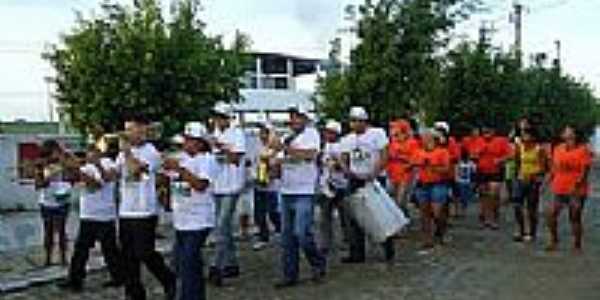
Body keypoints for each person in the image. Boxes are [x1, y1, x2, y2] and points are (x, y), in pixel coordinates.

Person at [116, 118, 176, 300]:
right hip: (126, 209)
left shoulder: (150, 152)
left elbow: (136, 170)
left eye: (130, 130)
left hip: (144, 210)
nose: (126, 134)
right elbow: (117, 173)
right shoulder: (123, 153)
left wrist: (126, 152)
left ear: (140, 132)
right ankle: (134, 293)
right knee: (127, 257)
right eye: (125, 130)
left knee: (145, 253)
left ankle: (169, 279)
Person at [273, 104, 326, 288]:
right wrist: (272, 165)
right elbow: (279, 161)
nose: (294, 120)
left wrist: (284, 149)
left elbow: (310, 155)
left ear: (305, 119)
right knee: (287, 236)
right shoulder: (285, 136)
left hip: (305, 190)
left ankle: (317, 261)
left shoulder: (311, 134)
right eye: (292, 116)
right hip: (287, 189)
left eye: (298, 117)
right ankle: (290, 274)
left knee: (302, 232)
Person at [58, 145, 124, 292]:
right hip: (87, 214)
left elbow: (98, 184)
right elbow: (72, 179)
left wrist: (96, 164)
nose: (90, 155)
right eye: (89, 152)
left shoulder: (108, 163)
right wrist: (67, 165)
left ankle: (119, 277)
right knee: (81, 250)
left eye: (93, 151)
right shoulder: (86, 167)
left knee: (110, 250)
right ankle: (75, 280)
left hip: (104, 215)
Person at [163, 122, 215, 300]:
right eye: (186, 140)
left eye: (191, 140)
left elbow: (201, 185)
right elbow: (168, 181)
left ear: (200, 143)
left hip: (199, 220)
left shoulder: (207, 160)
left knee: (188, 262)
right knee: (182, 263)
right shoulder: (181, 158)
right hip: (181, 220)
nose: (186, 144)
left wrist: (180, 170)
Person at [339, 106, 395, 264]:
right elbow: (343, 158)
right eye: (352, 121)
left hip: (374, 178)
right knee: (355, 217)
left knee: (379, 215)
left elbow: (384, 155)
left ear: (364, 121)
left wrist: (374, 173)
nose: (355, 124)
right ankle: (357, 252)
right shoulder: (347, 139)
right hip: (355, 178)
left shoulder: (377, 134)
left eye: (358, 121)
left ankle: (387, 247)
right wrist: (346, 170)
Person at [208, 102, 246, 286]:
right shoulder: (214, 133)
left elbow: (236, 158)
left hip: (232, 186)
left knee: (221, 225)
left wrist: (220, 146)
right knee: (224, 227)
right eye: (216, 116)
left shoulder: (236, 134)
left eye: (221, 117)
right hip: (217, 185)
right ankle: (232, 263)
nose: (217, 120)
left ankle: (217, 265)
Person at [545, 124, 592, 254]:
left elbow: (586, 169)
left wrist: (578, 183)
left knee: (575, 216)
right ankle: (554, 240)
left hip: (576, 188)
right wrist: (548, 180)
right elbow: (554, 167)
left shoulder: (583, 150)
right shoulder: (558, 148)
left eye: (568, 131)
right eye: (565, 131)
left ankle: (577, 245)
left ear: (575, 135)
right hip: (559, 186)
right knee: (551, 214)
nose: (565, 133)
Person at [34, 140, 76, 266]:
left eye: (58, 151)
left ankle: (63, 258)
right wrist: (47, 177)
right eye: (54, 151)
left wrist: (65, 165)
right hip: (46, 202)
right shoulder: (40, 165)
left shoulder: (65, 162)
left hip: (62, 201)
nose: (56, 154)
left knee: (61, 230)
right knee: (48, 231)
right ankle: (48, 258)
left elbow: (73, 177)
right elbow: (38, 185)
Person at [413, 130, 451, 250]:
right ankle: (427, 238)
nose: (423, 141)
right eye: (423, 138)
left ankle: (440, 231)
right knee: (424, 213)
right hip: (422, 184)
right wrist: (416, 166)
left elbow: (446, 169)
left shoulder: (443, 152)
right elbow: (412, 166)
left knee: (436, 212)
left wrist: (432, 166)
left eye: (426, 138)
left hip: (438, 184)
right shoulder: (418, 152)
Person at [318, 119, 349, 257]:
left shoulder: (342, 146)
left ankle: (347, 240)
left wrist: (335, 165)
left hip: (341, 184)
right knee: (324, 216)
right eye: (326, 132)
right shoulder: (323, 146)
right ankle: (326, 243)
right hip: (326, 185)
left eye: (330, 132)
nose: (327, 134)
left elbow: (345, 165)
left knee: (345, 216)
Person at [512, 128, 546, 242]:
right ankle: (521, 230)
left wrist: (535, 176)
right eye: (522, 136)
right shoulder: (519, 147)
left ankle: (532, 232)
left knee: (531, 208)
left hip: (533, 180)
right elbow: (517, 163)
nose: (523, 138)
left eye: (526, 136)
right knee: (517, 205)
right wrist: (516, 176)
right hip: (521, 179)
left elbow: (543, 167)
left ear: (532, 137)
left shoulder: (539, 149)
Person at [252, 120, 282, 251]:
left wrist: (270, 168)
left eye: (265, 132)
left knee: (273, 211)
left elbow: (278, 168)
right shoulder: (257, 147)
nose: (262, 135)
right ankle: (263, 237)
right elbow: (253, 164)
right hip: (258, 184)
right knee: (259, 213)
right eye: (261, 132)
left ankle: (281, 231)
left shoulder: (276, 149)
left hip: (272, 186)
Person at [474, 124, 511, 229]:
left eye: (489, 131)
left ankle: (494, 217)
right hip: (482, 171)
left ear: (493, 131)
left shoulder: (501, 141)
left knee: (494, 194)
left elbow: (509, 155)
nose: (486, 134)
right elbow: (472, 155)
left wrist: (500, 160)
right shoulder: (478, 141)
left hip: (496, 171)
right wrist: (477, 154)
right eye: (484, 132)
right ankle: (485, 217)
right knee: (483, 195)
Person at [387, 119, 419, 216]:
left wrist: (399, 157)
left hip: (406, 175)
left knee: (400, 201)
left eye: (396, 131)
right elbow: (388, 156)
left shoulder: (412, 143)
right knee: (393, 200)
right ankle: (403, 218)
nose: (393, 133)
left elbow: (414, 159)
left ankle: (402, 220)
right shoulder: (392, 143)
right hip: (392, 174)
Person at [455, 149, 477, 215]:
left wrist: (473, 182)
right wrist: (456, 179)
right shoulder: (459, 163)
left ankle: (463, 208)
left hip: (468, 181)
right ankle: (462, 209)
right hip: (461, 181)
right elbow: (456, 171)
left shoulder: (471, 163)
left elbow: (474, 172)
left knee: (466, 196)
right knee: (462, 196)